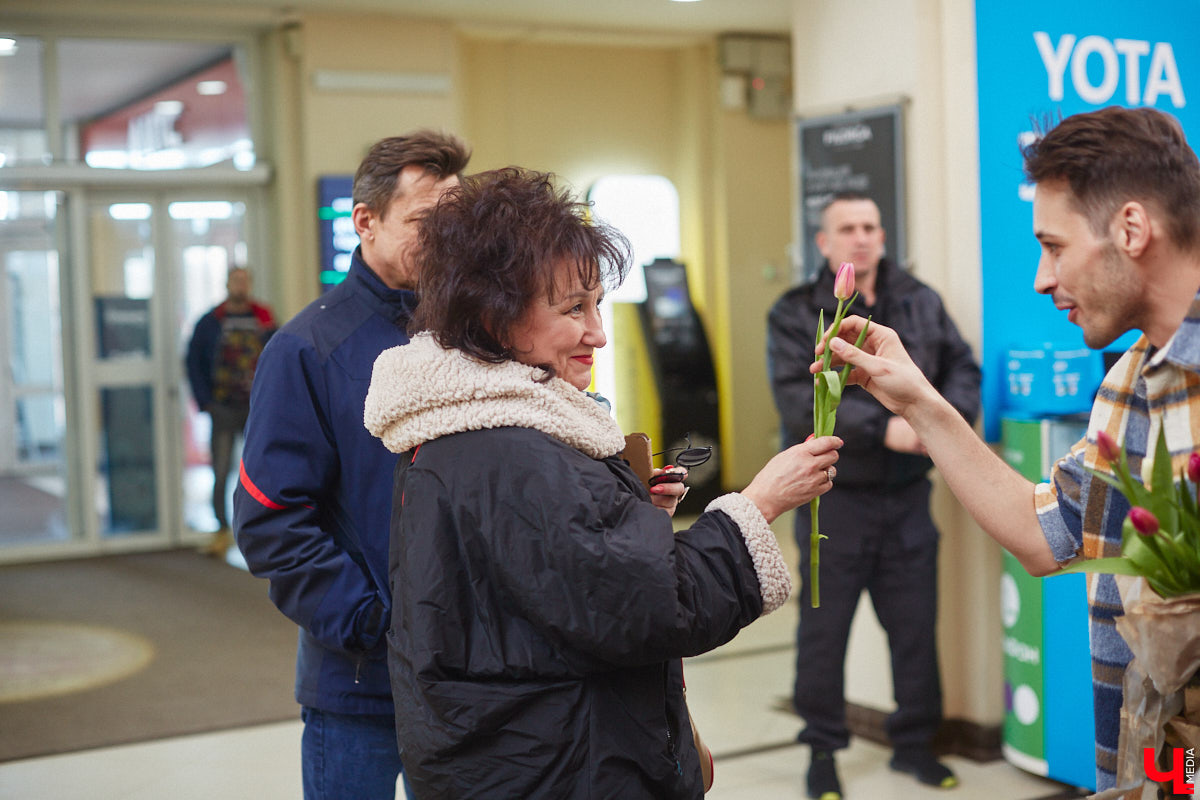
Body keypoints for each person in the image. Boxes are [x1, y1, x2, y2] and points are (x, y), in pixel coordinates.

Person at [362, 167, 844, 799]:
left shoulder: (459, 425)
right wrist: (760, 502)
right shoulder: (511, 452)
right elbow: (649, 606)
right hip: (559, 765)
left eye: (597, 305)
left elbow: (544, 584)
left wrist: (622, 509)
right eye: (572, 310)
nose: (598, 332)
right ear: (495, 316)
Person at [810, 106, 1200, 794]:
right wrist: (922, 405)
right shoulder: (1130, 385)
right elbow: (1045, 533)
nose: (1041, 280)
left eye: (1054, 246)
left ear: (1132, 230)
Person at [232, 130, 471, 800]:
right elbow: (269, 518)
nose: (448, 240)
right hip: (358, 688)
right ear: (365, 222)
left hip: (469, 683)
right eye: (427, 222)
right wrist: (375, 621)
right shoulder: (307, 350)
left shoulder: (468, 338)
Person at [766, 191, 980, 798]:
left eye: (870, 226)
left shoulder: (922, 301)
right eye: (847, 228)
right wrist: (887, 429)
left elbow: (963, 369)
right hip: (835, 500)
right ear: (825, 244)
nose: (861, 237)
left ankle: (915, 747)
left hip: (910, 499)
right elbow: (794, 396)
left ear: (883, 237)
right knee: (823, 633)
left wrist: (942, 423)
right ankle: (822, 754)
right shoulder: (794, 313)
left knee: (915, 629)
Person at [185, 266, 276, 557]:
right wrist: (206, 402)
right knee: (221, 470)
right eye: (235, 280)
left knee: (259, 471)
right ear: (227, 284)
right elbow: (192, 361)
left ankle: (260, 531)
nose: (240, 285)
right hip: (222, 408)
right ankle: (221, 530)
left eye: (244, 280)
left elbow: (280, 355)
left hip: (255, 409)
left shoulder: (264, 319)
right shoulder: (210, 322)